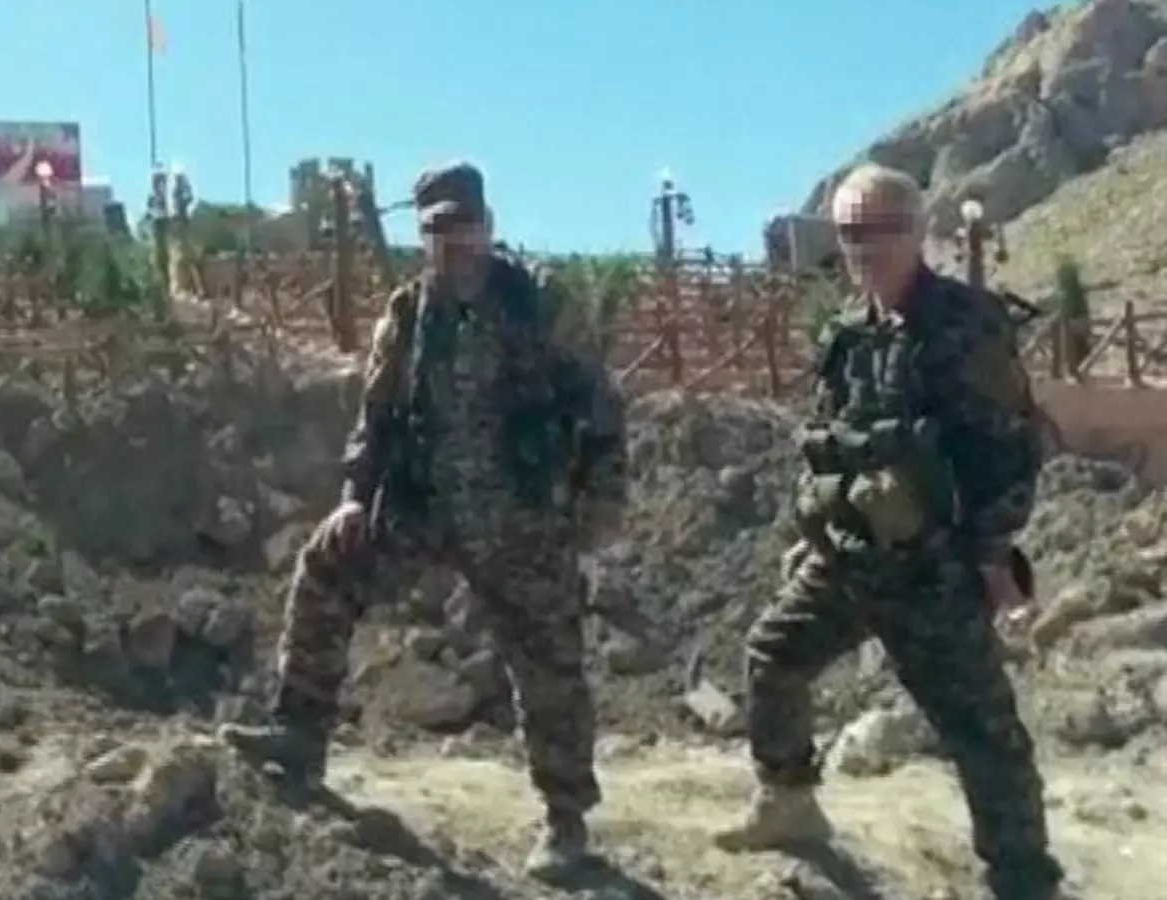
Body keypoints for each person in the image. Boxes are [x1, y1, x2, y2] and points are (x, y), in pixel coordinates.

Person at [220, 161, 627, 880]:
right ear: (424, 235)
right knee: (328, 565)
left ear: (487, 226)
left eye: (463, 225)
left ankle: (566, 824)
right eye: (437, 229)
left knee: (550, 666)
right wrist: (355, 496)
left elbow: (599, 404)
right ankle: (299, 734)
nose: (452, 242)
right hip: (427, 508)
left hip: (523, 519)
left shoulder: (538, 304)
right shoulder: (407, 316)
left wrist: (600, 502)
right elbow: (376, 417)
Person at [712, 163, 1065, 900]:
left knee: (980, 729)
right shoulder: (849, 333)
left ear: (918, 231)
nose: (865, 248)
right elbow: (832, 440)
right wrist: (812, 534)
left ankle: (1023, 879)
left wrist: (992, 560)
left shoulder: (965, 326)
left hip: (935, 571)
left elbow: (1010, 451)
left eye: (881, 230)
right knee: (773, 654)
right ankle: (789, 800)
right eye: (850, 232)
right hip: (849, 560)